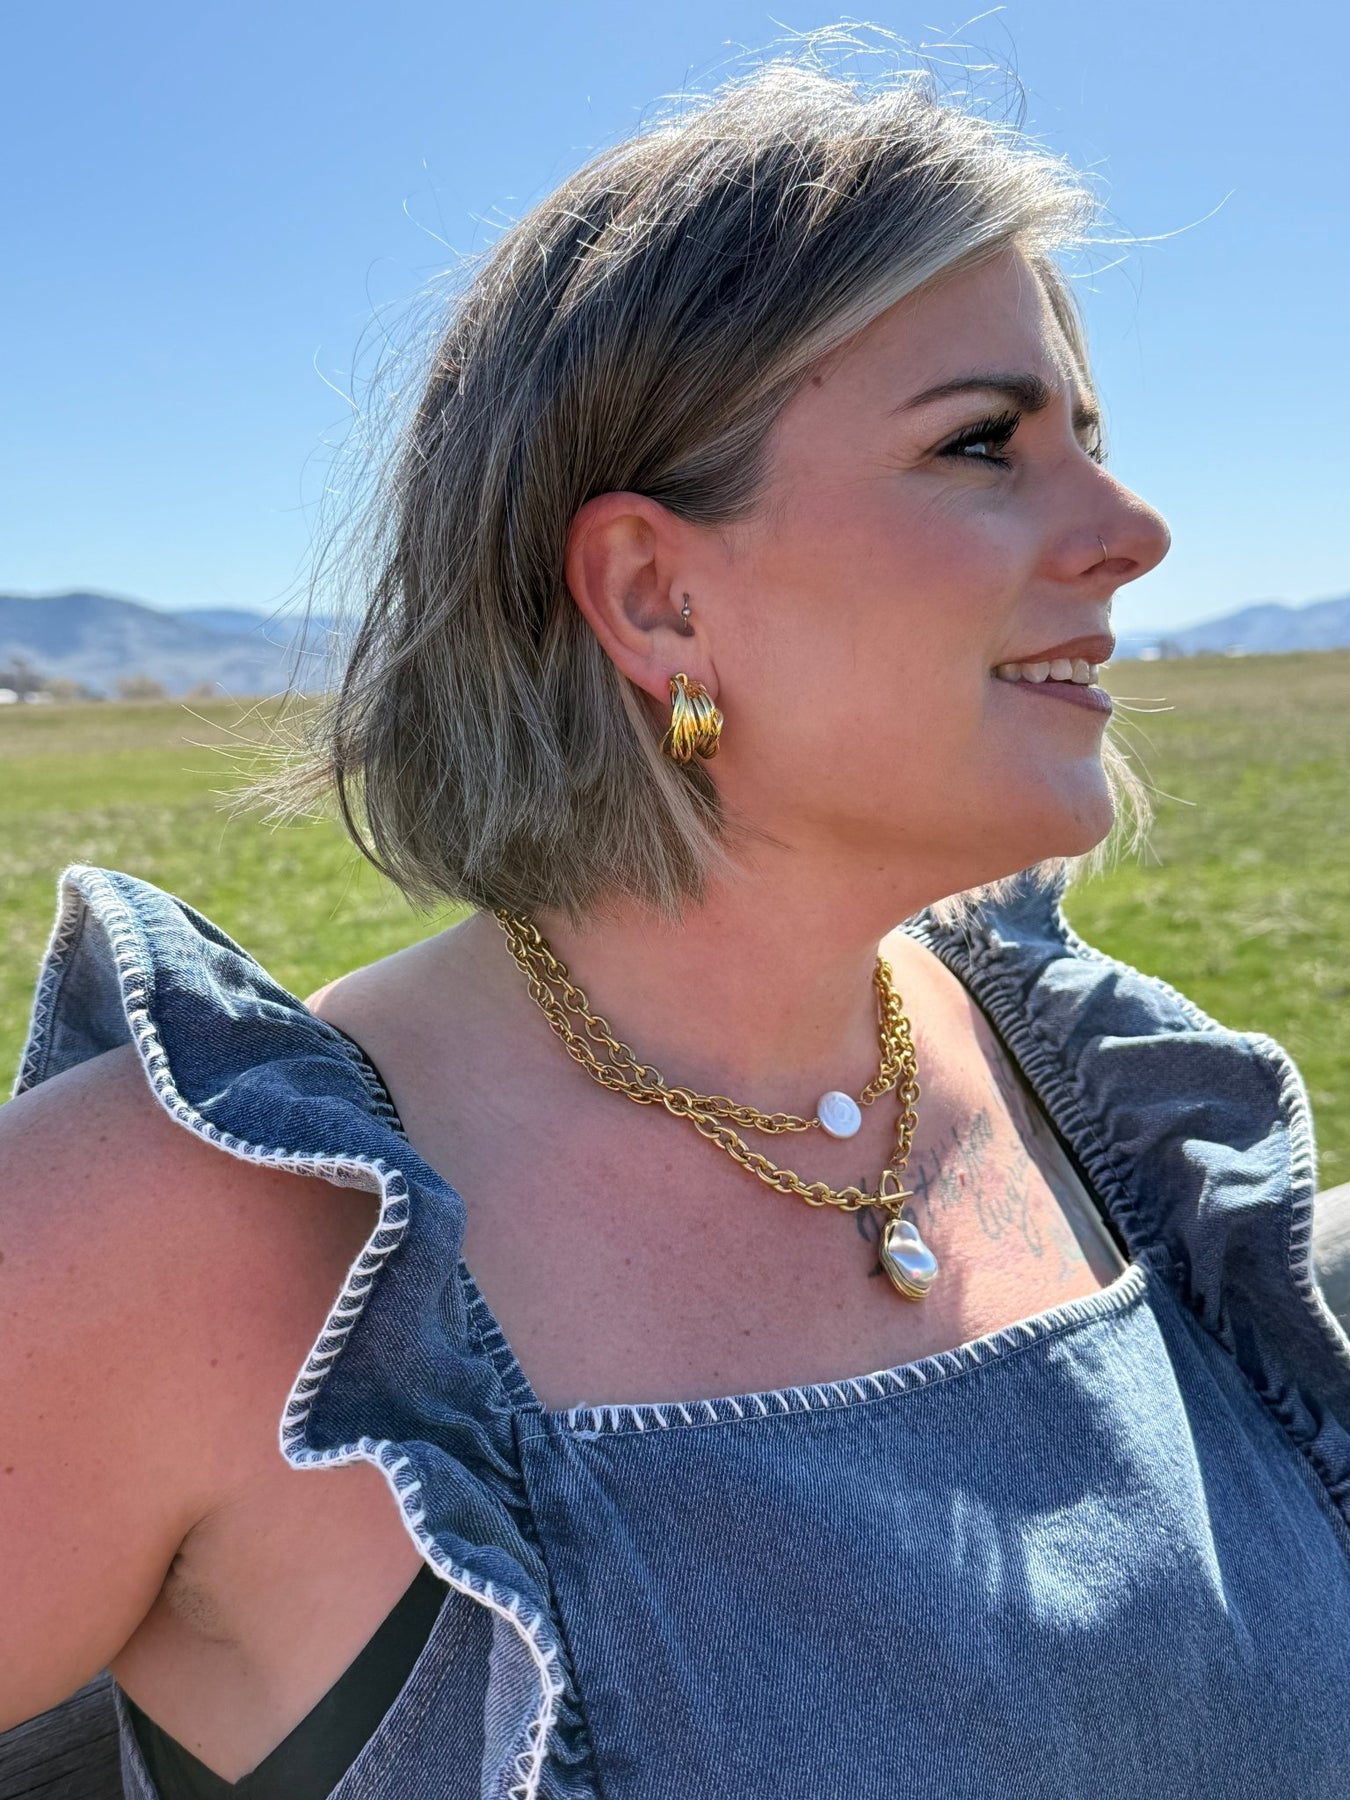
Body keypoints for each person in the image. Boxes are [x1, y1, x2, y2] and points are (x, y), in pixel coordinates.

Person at [4, 47, 1350, 1800]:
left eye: (1087, 441)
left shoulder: (1114, 1116)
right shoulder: (190, 1235)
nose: (1133, 530)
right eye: (981, 443)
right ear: (654, 596)